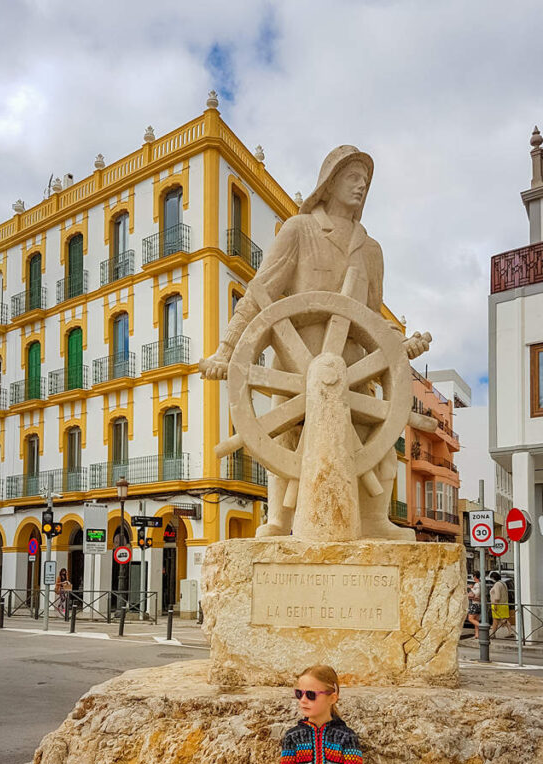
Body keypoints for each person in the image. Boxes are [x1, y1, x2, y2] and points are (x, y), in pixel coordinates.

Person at [200, 146, 432, 540]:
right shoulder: (299, 230)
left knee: (374, 443)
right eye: (352, 177)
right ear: (329, 183)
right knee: (286, 443)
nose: (361, 186)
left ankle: (375, 520)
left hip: (353, 368)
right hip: (293, 367)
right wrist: (226, 350)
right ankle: (281, 521)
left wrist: (399, 342)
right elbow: (260, 294)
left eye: (366, 181)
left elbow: (372, 316)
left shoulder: (371, 250)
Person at [489, 572, 514, 638]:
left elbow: (497, 596)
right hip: (504, 604)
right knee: (504, 619)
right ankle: (510, 632)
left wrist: (495, 605)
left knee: (495, 620)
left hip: (498, 604)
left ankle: (493, 634)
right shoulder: (503, 583)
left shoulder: (497, 584)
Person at [467, 571, 481, 639]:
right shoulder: (480, 584)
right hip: (478, 604)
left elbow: (477, 593)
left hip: (475, 604)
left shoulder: (477, 584)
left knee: (470, 618)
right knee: (476, 619)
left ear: (475, 576)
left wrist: (471, 588)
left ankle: (483, 628)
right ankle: (477, 634)